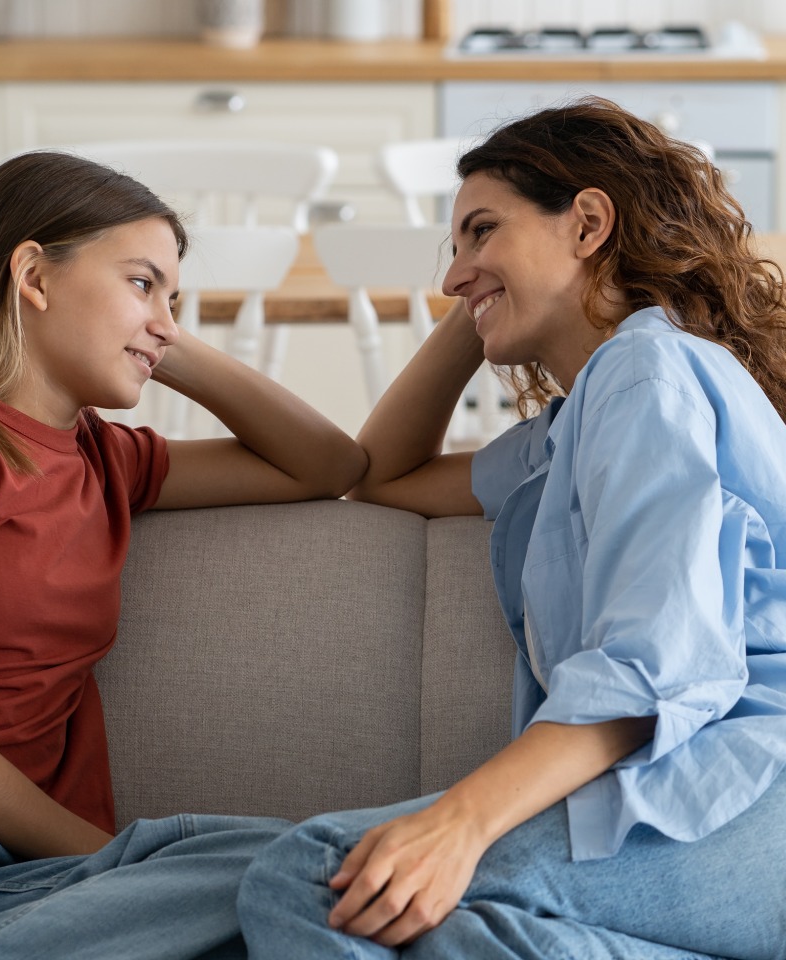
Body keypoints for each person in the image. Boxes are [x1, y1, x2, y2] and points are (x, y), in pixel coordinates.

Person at [236, 97, 786, 959]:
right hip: (715, 803)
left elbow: (652, 667)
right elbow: (382, 472)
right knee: (450, 928)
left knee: (317, 873)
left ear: (588, 222)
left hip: (749, 789)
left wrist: (458, 823)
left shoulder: (648, 374)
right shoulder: (577, 424)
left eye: (481, 230)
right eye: (453, 249)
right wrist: (486, 294)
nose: (451, 276)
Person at [0, 150, 367, 960]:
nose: (163, 315)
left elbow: (329, 465)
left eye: (173, 296)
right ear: (34, 277)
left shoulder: (108, 461)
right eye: (142, 282)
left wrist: (160, 338)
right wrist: (101, 857)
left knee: (302, 868)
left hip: (1, 862)